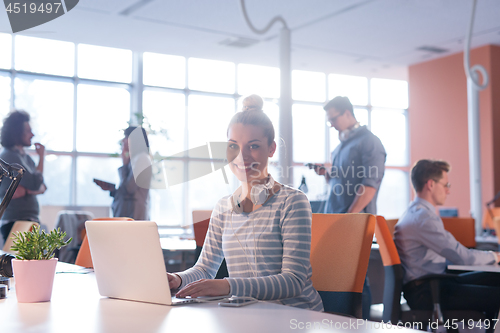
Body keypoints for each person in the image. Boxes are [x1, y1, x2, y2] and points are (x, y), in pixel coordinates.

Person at [167, 98, 324, 311]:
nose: (242, 156)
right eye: (234, 146)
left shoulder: (292, 202)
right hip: (249, 314)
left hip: (296, 317)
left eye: (254, 146)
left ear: (271, 148)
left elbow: (293, 281)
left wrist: (227, 285)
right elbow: (205, 269)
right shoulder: (224, 207)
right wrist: (177, 279)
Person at [311, 96, 386, 318]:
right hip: (336, 219)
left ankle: (360, 325)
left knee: (356, 280)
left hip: (352, 222)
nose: (332, 124)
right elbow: (339, 181)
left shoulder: (370, 142)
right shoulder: (341, 146)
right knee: (336, 280)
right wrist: (327, 174)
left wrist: (350, 217)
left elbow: (370, 185)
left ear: (347, 113)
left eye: (333, 118)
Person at [394, 159, 500, 316]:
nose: (448, 191)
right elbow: (463, 258)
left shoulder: (415, 212)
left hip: (431, 284)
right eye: (446, 185)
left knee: (494, 278)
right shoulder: (423, 218)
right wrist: (495, 256)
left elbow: (453, 255)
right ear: (430, 184)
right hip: (428, 292)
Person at [0, 110, 46, 242]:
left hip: (29, 219)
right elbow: (36, 184)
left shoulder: (25, 158)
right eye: (28, 131)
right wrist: (42, 157)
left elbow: (42, 186)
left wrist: (25, 190)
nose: (33, 134)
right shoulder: (10, 156)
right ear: (17, 133)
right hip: (16, 220)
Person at [95, 126, 150, 220]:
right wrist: (113, 190)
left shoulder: (142, 159)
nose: (123, 141)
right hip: (128, 211)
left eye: (126, 137)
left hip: (133, 213)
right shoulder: (134, 159)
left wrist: (124, 165)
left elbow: (129, 188)